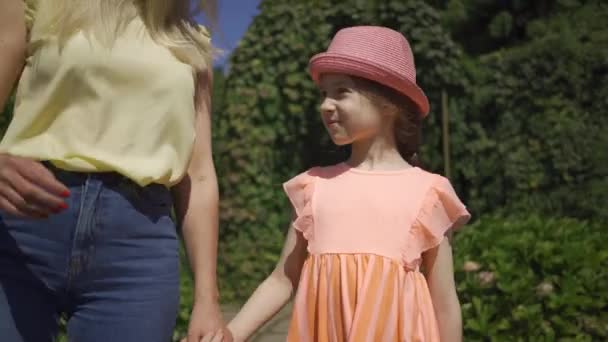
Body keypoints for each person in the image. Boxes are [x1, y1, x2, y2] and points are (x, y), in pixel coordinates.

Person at [0, 1, 230, 341]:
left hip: (138, 250)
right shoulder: (34, 5)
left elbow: (199, 176)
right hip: (22, 226)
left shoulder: (192, 43)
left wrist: (207, 300)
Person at [223, 26, 471, 341]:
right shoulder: (313, 187)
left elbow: (444, 304)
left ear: (389, 102)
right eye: (324, 94)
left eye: (341, 92)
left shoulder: (428, 192)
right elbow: (282, 279)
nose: (325, 105)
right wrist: (230, 334)